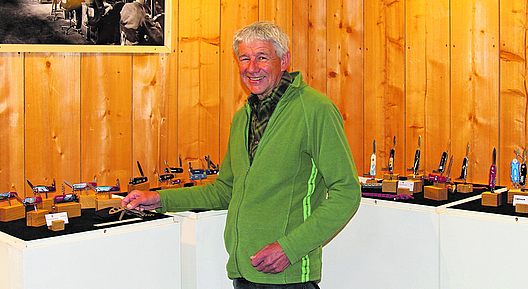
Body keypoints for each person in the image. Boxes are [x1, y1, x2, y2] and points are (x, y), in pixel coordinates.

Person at [123, 21, 360, 288]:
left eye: (262, 57)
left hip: (289, 276)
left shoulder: (315, 110)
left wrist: (289, 249)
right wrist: (158, 199)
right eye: (245, 58)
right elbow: (224, 191)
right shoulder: (243, 118)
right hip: (244, 273)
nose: (252, 68)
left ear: (284, 61)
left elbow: (347, 193)